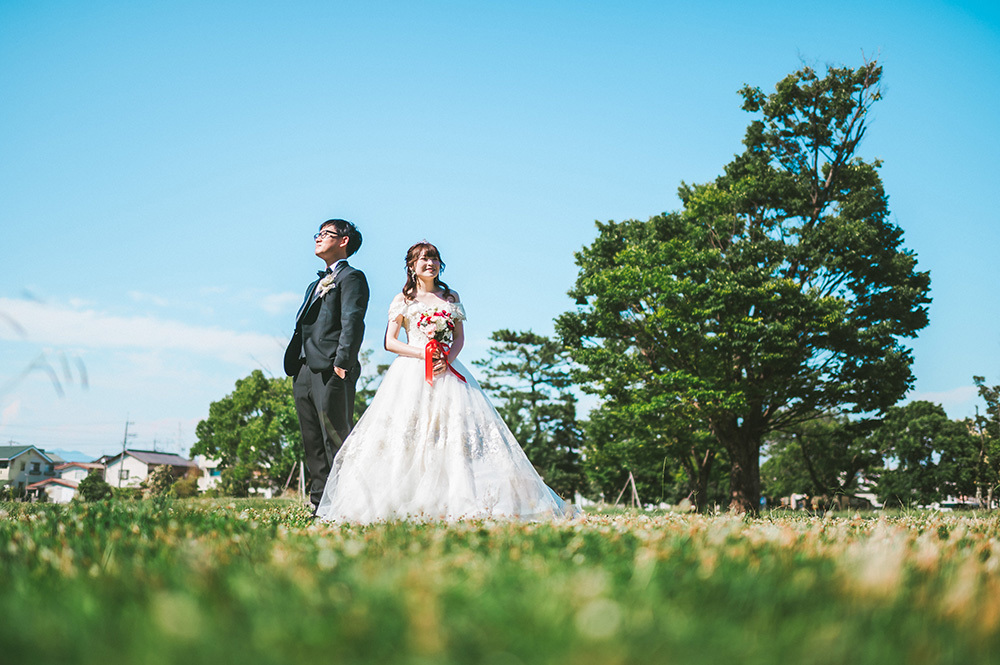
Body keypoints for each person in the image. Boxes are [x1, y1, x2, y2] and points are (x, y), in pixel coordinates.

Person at [315, 241, 577, 523]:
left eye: (435, 259)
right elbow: (390, 342)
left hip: (449, 371)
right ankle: (396, 499)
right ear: (412, 267)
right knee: (407, 434)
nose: (431, 264)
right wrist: (423, 354)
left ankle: (466, 499)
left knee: (458, 436)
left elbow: (460, 337)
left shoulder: (451, 296)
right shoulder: (403, 299)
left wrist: (446, 359)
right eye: (424, 259)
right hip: (411, 372)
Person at [284, 219, 369, 513]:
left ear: (343, 241)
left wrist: (342, 364)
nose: (318, 238)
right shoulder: (314, 284)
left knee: (336, 439)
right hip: (304, 369)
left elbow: (352, 322)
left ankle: (347, 503)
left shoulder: (352, 278)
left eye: (326, 234)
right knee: (312, 442)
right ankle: (320, 506)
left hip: (333, 369)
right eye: (317, 233)